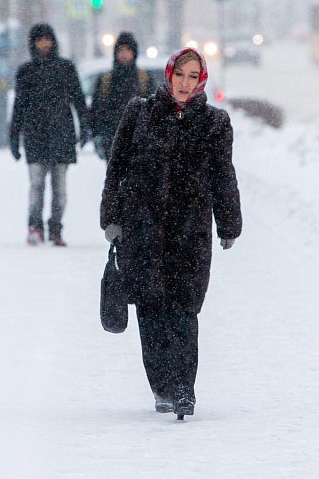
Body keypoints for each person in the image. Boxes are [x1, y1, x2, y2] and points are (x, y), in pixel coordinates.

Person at [99, 47, 242, 418]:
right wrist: (111, 218)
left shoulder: (214, 123)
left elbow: (223, 176)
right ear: (169, 74)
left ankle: (184, 387)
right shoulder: (140, 113)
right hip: (142, 229)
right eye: (180, 74)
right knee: (150, 311)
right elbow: (117, 169)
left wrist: (229, 223)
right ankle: (161, 385)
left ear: (201, 81)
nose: (184, 83)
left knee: (183, 310)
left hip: (189, 232)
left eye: (192, 77)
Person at [9, 23, 89, 247]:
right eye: (39, 40)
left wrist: (85, 126)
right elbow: (19, 107)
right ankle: (34, 226)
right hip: (35, 137)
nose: (44, 44)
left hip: (62, 135)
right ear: (33, 43)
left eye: (47, 39)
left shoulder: (65, 69)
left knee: (59, 188)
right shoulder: (26, 72)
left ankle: (55, 228)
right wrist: (14, 137)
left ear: (53, 41)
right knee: (36, 186)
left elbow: (79, 100)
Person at [88, 31, 154, 162]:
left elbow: (153, 108)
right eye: (120, 50)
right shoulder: (106, 79)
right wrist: (97, 135)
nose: (124, 54)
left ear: (134, 52)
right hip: (112, 140)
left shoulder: (144, 78)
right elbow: (97, 109)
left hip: (138, 141)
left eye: (128, 50)